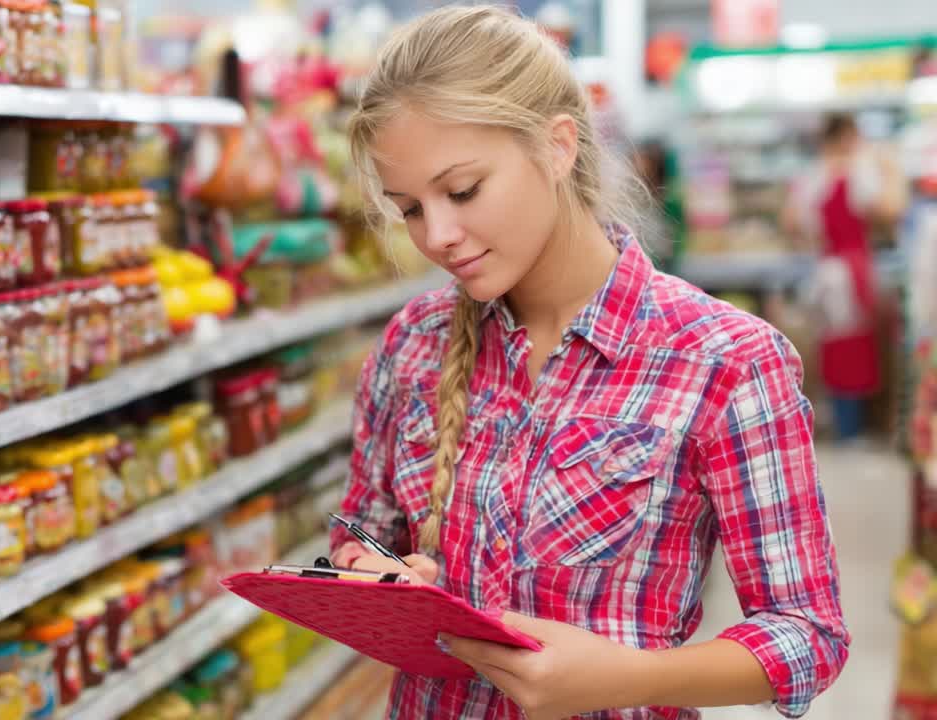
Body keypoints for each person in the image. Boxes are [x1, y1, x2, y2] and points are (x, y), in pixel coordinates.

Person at [332, 6, 848, 720]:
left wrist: (634, 678)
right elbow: (357, 529)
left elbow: (807, 634)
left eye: (462, 191)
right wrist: (377, 575)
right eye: (409, 209)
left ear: (558, 146)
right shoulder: (411, 344)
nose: (439, 236)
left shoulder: (723, 360)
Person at [783, 113, 905, 441]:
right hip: (855, 269)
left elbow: (793, 223)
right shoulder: (859, 171)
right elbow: (890, 210)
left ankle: (843, 423)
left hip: (826, 269)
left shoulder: (812, 175)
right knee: (858, 346)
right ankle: (854, 427)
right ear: (849, 135)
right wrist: (890, 170)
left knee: (834, 346)